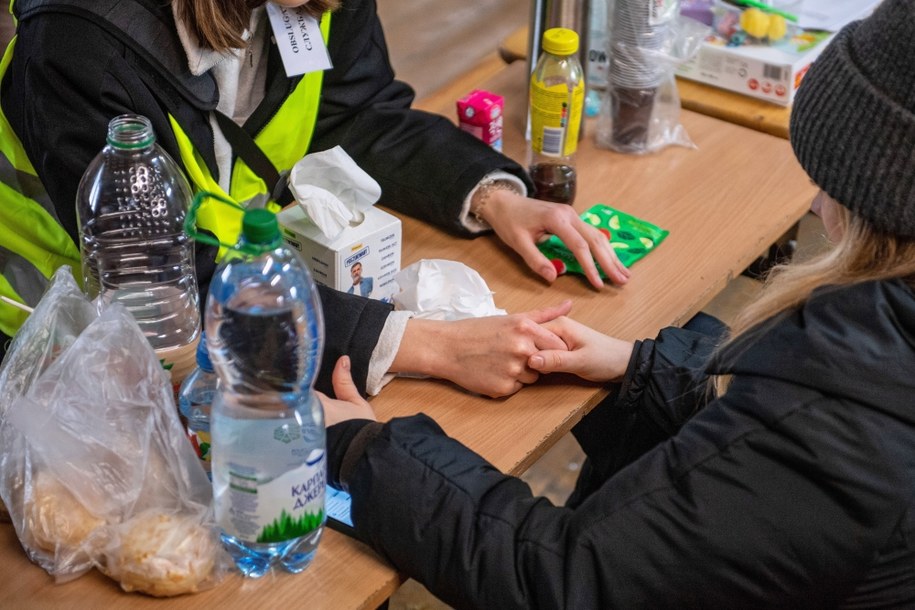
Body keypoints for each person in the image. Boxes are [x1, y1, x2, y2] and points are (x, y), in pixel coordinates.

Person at [318, 1, 915, 606]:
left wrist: (368, 452)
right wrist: (641, 369)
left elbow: (570, 580)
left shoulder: (844, 421)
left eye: (832, 187)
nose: (815, 207)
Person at [0, 0, 630, 377]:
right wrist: (426, 344)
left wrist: (497, 198)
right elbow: (167, 281)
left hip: (235, 297)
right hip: (57, 340)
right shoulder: (76, 44)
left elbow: (357, 113)